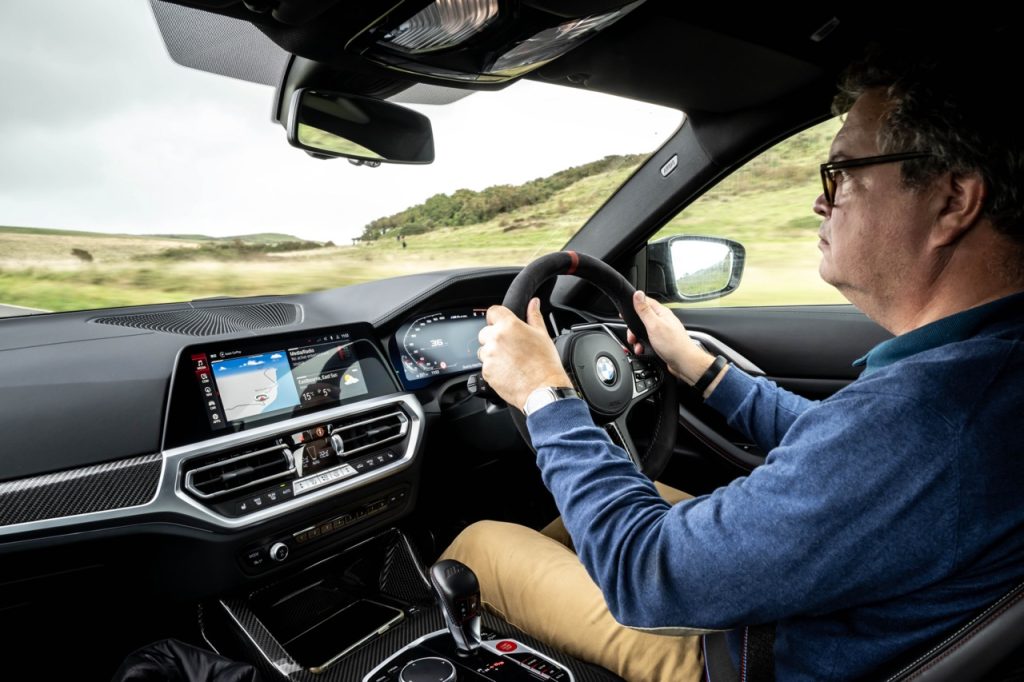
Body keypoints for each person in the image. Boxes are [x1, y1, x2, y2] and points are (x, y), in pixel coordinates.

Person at [440, 44, 1024, 681]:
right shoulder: (985, 370)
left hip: (745, 659)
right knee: (565, 520)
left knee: (483, 544)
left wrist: (545, 393)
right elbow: (839, 447)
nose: (821, 203)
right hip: (830, 614)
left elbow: (644, 575)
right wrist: (698, 367)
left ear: (953, 200)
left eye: (844, 173)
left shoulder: (929, 417)